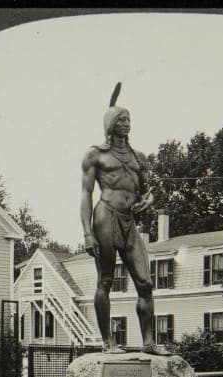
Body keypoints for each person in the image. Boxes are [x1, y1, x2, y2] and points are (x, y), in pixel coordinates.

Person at [80, 83, 162, 354]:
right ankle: (107, 343)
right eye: (121, 119)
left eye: (129, 119)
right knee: (105, 280)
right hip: (105, 217)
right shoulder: (96, 154)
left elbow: (147, 190)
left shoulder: (138, 157)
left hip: (129, 221)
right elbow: (86, 193)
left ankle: (149, 342)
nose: (126, 123)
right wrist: (87, 233)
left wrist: (148, 200)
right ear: (111, 124)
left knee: (145, 282)